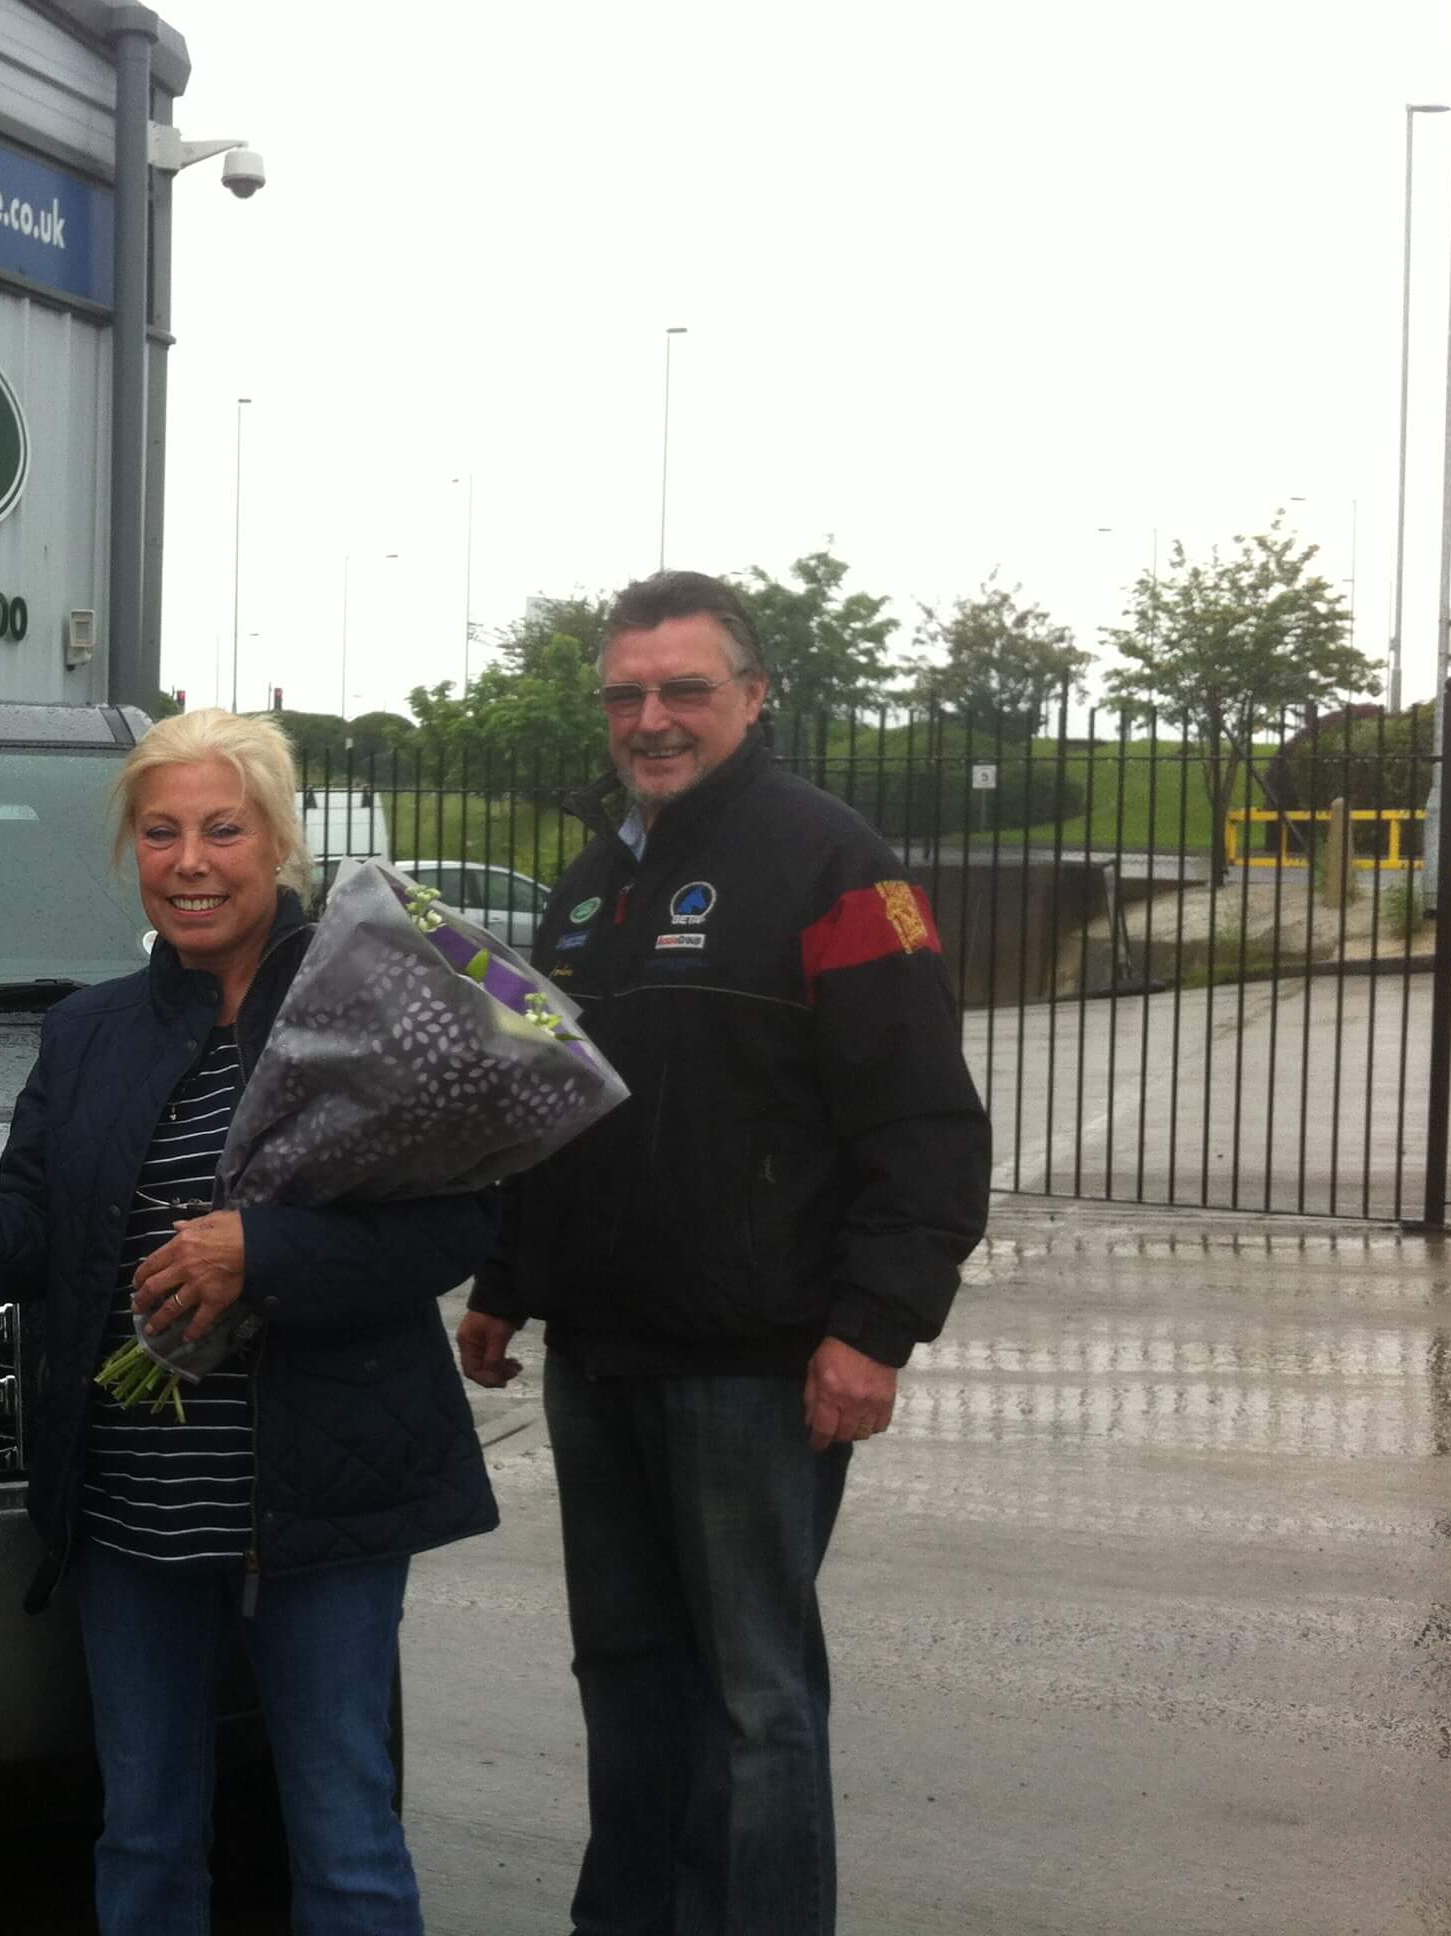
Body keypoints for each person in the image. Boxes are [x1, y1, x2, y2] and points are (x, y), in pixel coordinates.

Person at [0, 708, 499, 1936]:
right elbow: (34, 1238)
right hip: (133, 1508)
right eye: (160, 832)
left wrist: (263, 1250)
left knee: (345, 1834)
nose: (189, 861)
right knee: (143, 1832)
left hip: (326, 1497)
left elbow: (457, 1225)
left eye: (222, 830)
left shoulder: (370, 1005)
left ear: (279, 840)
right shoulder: (88, 1032)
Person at [456, 571, 990, 1936]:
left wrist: (875, 1327)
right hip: (601, 1358)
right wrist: (506, 1282)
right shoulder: (592, 887)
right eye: (626, 694)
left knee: (757, 1698)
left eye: (685, 689)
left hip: (754, 1368)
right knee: (626, 1676)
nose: (652, 718)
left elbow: (925, 1124)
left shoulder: (834, 863)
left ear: (754, 697)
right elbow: (553, 1104)